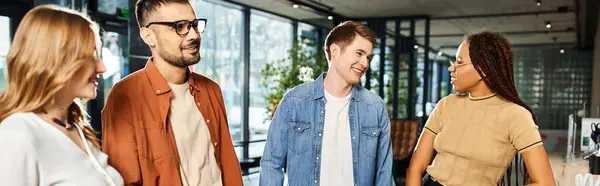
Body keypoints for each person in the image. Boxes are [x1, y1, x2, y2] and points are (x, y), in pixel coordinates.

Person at [101, 0, 243, 185]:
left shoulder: (211, 90)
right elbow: (123, 180)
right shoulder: (126, 95)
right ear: (148, 36)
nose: (193, 34)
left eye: (194, 25)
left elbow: (227, 162)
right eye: (179, 26)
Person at [406, 30, 555, 186]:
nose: (452, 68)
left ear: (483, 69)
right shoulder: (446, 104)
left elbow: (545, 182)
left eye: (459, 62)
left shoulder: (516, 115)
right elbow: (415, 168)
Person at [0, 5, 123, 186]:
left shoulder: (75, 127)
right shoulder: (18, 134)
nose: (102, 68)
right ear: (57, 61)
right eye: (91, 56)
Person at [259, 21, 394, 186]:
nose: (365, 63)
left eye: (368, 57)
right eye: (359, 53)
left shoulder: (375, 107)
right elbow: (271, 163)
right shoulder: (294, 102)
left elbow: (384, 173)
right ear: (335, 51)